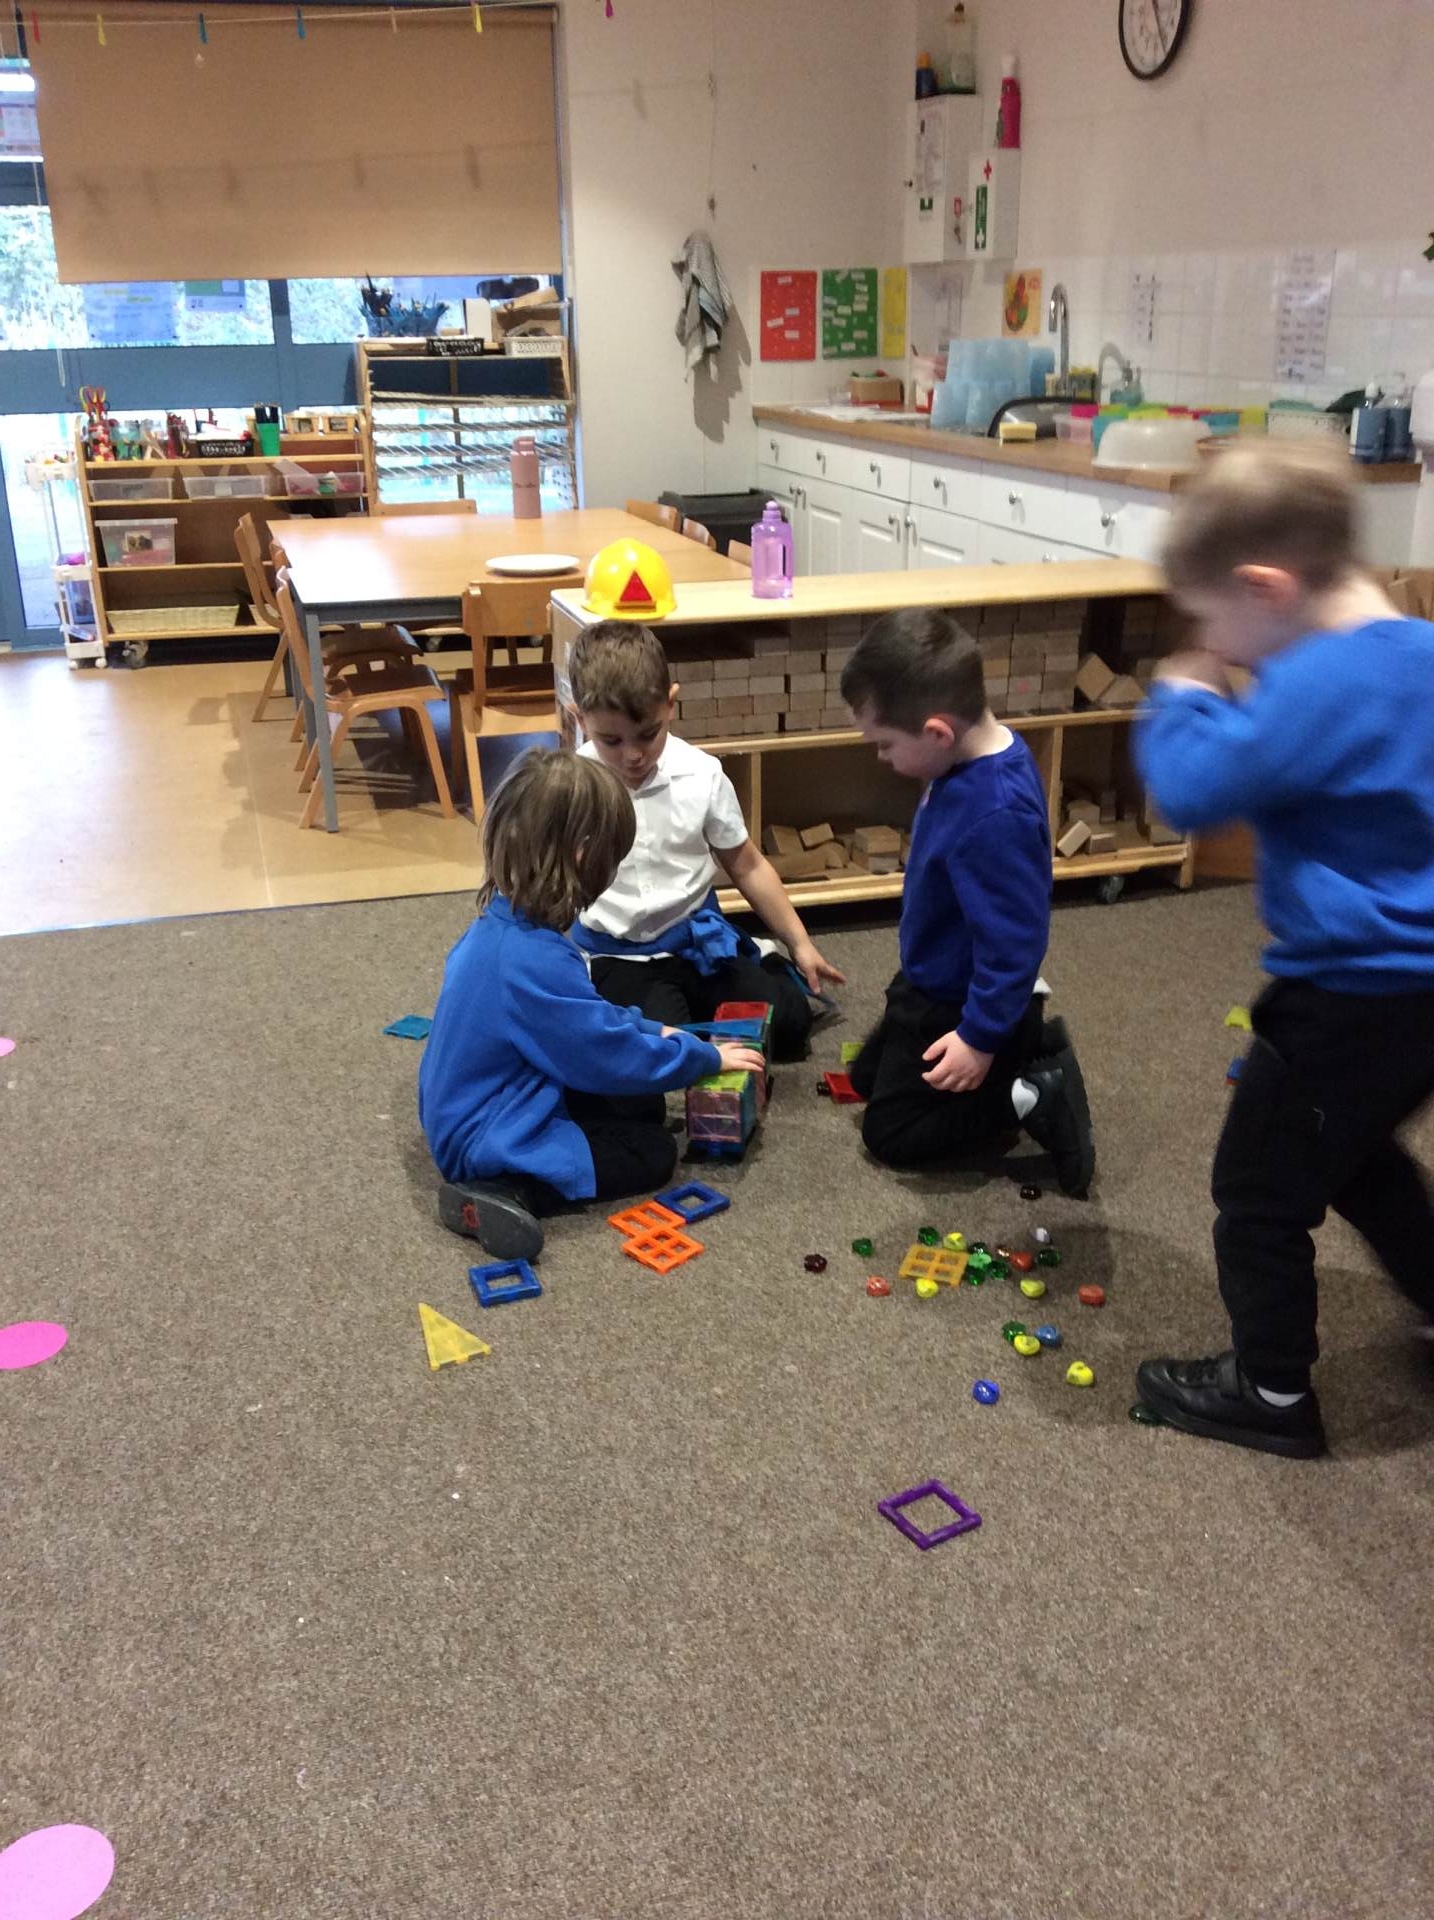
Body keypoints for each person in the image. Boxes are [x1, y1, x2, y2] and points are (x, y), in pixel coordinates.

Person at [1133, 443, 1434, 1458]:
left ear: (1268, 587)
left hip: (1350, 993)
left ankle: (1269, 1392)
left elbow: (1192, 790)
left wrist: (1185, 692)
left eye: (1213, 620)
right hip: (1422, 1000)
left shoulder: (1319, 680)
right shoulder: (1421, 652)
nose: (1214, 644)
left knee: (1259, 1189)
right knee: (1353, 1157)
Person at [419, 749, 764, 1262]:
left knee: (642, 1104)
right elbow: (604, 1053)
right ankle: (506, 1189)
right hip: (485, 1139)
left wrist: (658, 1032)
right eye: (613, 857)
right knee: (652, 1152)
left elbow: (588, 1018)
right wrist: (703, 1058)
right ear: (583, 856)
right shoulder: (533, 960)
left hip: (476, 1106)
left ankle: (508, 1174)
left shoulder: (505, 927)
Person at [838, 606, 1094, 1195]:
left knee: (889, 1132)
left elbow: (1014, 944)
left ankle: (1030, 1093)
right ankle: (1027, 1043)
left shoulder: (995, 815)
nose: (881, 758)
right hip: (933, 976)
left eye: (885, 745)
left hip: (961, 999)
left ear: (937, 733)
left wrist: (978, 1037)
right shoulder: (969, 757)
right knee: (868, 1076)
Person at [566, 621, 845, 1059]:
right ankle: (687, 1018)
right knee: (658, 1051)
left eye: (648, 734)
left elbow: (747, 864)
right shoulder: (571, 787)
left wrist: (800, 943)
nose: (633, 755)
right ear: (579, 718)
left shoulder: (702, 773)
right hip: (621, 957)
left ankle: (760, 956)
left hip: (696, 941)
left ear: (671, 704)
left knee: (790, 1023)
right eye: (611, 740)